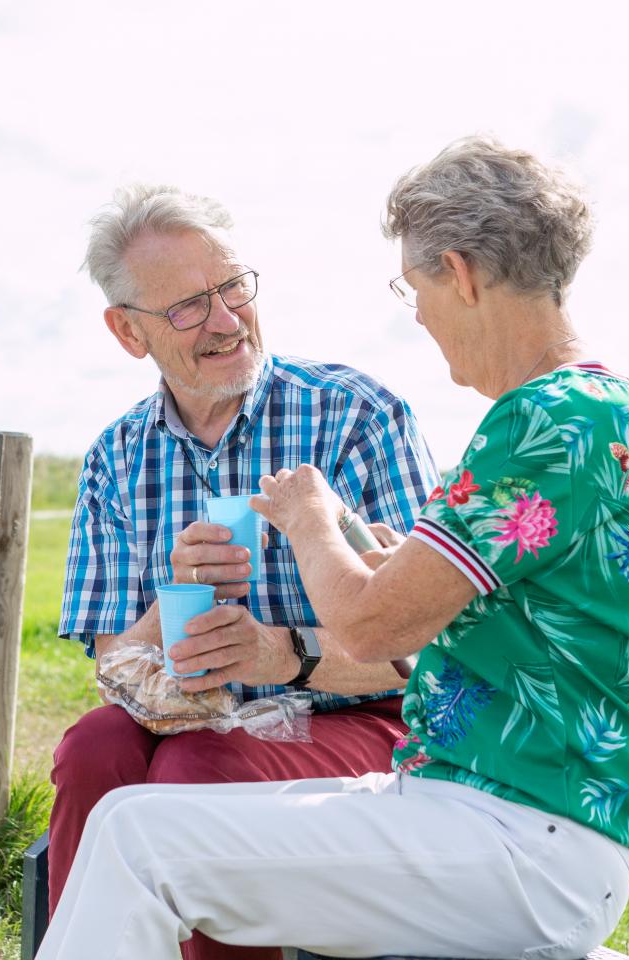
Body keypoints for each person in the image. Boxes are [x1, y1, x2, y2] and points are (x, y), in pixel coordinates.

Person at [39, 137, 629, 960]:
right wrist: (373, 560)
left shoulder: (543, 424)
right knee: (126, 807)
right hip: (499, 805)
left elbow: (379, 634)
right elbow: (452, 606)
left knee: (144, 836)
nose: (418, 315)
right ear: (130, 331)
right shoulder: (590, 409)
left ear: (464, 274)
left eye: (416, 290)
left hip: (521, 826)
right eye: (190, 305)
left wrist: (308, 518)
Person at [50, 184, 440, 960]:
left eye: (232, 287)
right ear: (129, 332)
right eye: (189, 307)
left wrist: (278, 654)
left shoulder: (357, 414)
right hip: (194, 717)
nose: (227, 321)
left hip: (363, 719)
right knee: (96, 745)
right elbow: (115, 670)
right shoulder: (116, 457)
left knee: (199, 768)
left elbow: (432, 649)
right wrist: (172, 598)